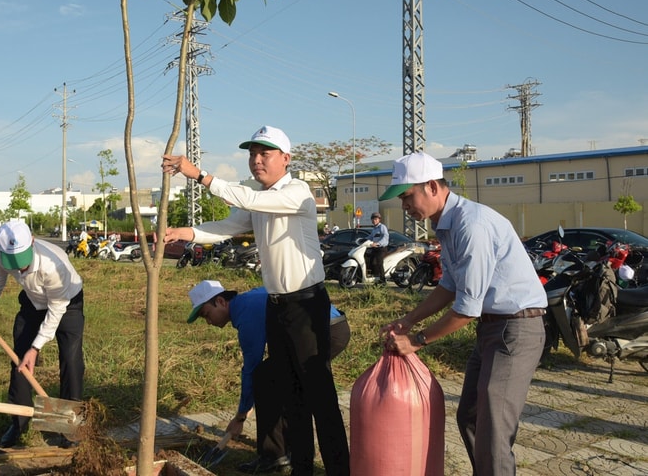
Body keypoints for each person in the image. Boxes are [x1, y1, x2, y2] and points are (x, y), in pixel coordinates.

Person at [162, 125, 350, 476]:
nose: (256, 160)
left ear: (286, 159)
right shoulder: (259, 197)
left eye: (264, 154)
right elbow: (228, 226)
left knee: (320, 398)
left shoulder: (296, 192)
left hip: (307, 306)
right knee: (292, 397)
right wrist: (184, 233)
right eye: (252, 153)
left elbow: (248, 200)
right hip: (278, 307)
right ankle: (301, 469)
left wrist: (198, 174)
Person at [378, 152, 547, 476]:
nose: (405, 206)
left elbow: (467, 307)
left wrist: (417, 340)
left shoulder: (472, 224)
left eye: (407, 196)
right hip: (492, 330)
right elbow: (450, 286)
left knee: (492, 431)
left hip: (516, 330)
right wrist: (410, 319)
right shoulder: (447, 226)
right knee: (469, 417)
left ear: (431, 186)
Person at [187, 280, 351, 474]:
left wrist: (240, 417)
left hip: (325, 332)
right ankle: (278, 454)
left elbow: (250, 368)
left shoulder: (246, 315)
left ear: (221, 302)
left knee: (269, 380)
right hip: (320, 330)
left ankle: (280, 455)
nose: (208, 321)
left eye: (207, 314)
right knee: (268, 378)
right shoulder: (246, 301)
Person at [0, 221, 85, 448]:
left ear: (32, 241)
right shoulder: (0, 253)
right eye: (14, 263)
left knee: (71, 361)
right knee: (20, 360)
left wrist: (37, 348)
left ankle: (69, 428)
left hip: (66, 303)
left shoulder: (54, 266)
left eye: (23, 262)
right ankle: (19, 421)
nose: (20, 269)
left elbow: (56, 311)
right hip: (33, 302)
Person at [367, 212, 389, 283]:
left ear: (379, 220)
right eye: (373, 219)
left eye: (376, 219)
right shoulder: (374, 229)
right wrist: (363, 240)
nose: (374, 221)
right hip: (375, 249)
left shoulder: (382, 227)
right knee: (371, 263)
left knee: (378, 263)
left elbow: (385, 237)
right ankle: (376, 280)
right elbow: (370, 237)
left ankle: (383, 281)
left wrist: (378, 243)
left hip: (381, 249)